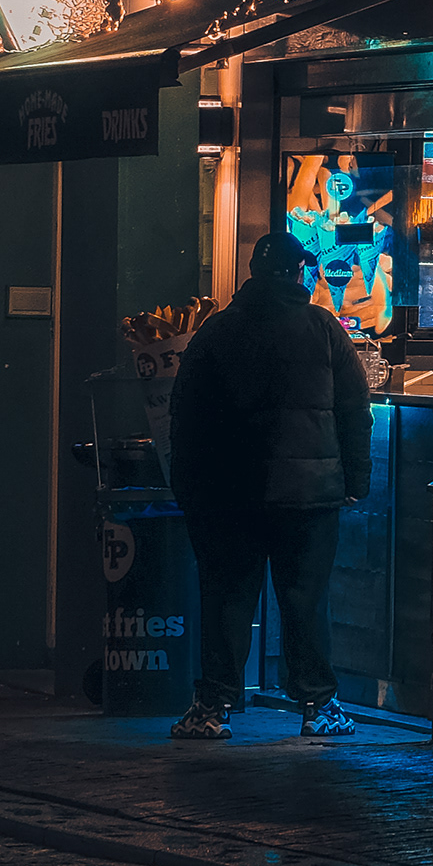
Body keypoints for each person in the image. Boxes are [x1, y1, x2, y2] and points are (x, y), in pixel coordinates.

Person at [166, 227, 372, 742]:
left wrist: (188, 490)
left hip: (229, 495)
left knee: (228, 598)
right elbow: (355, 411)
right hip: (310, 496)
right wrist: (356, 479)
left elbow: (185, 420)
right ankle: (319, 707)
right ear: (299, 272)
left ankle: (213, 707)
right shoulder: (324, 328)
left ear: (253, 273)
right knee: (305, 599)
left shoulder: (215, 332)